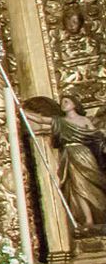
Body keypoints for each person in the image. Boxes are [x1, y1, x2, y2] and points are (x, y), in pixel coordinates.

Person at [49, 95, 106, 233]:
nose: (63, 104)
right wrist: (20, 109)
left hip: (85, 154)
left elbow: (97, 136)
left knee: (92, 184)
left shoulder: (84, 120)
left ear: (75, 104)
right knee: (77, 187)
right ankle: (88, 220)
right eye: (61, 102)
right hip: (69, 154)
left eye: (66, 101)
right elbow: (42, 120)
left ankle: (100, 215)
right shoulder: (60, 121)